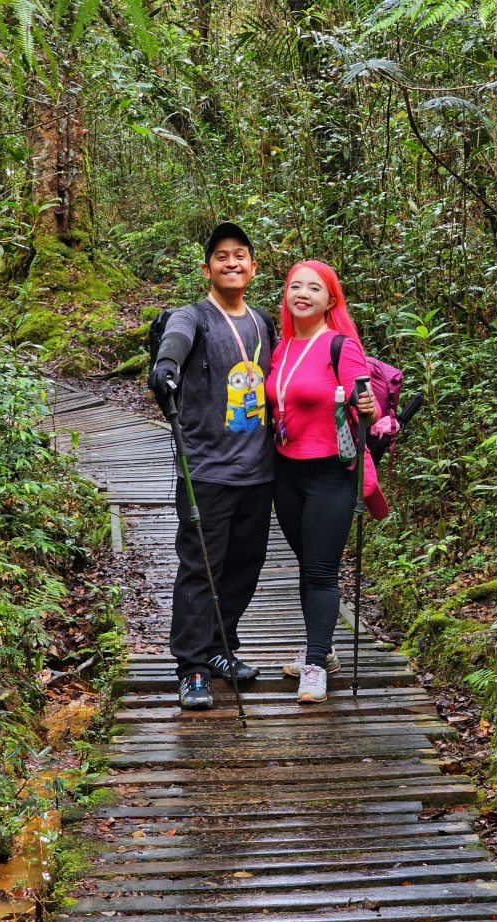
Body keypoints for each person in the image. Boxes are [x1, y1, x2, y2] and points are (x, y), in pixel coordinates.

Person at [147, 223, 277, 711]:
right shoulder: (194, 316)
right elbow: (175, 340)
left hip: (258, 470)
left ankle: (222, 649)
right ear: (207, 268)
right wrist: (166, 365)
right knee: (201, 568)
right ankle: (192, 668)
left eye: (240, 255)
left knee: (245, 565)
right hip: (205, 469)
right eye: (221, 257)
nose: (231, 263)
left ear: (253, 266)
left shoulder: (262, 321)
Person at [265, 260, 383, 703]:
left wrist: (365, 406)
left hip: (332, 473)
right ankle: (322, 646)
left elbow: (365, 404)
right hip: (286, 472)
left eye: (314, 288)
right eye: (295, 286)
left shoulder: (341, 345)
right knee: (308, 563)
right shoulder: (282, 348)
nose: (303, 294)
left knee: (320, 570)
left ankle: (314, 666)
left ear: (330, 300)